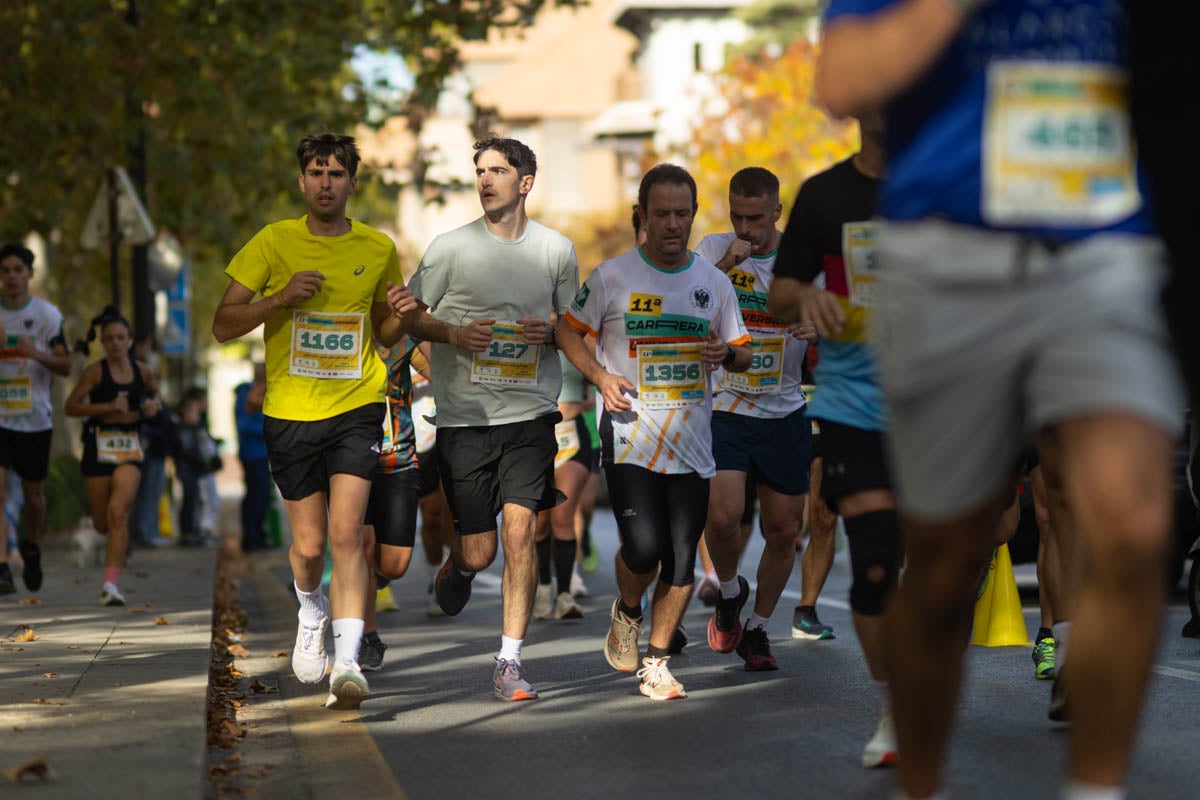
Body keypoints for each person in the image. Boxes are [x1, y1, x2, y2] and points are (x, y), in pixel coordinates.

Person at [816, 3, 1185, 797]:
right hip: (947, 253)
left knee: (1134, 522)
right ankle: (921, 782)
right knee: (949, 558)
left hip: (1100, 246)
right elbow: (841, 81)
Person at [212, 132, 412, 710]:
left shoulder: (377, 248)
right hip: (291, 413)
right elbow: (223, 325)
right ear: (302, 182)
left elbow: (384, 333)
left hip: (356, 406)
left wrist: (400, 316)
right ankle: (309, 607)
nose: (326, 183)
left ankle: (347, 663)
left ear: (353, 183)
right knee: (308, 545)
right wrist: (280, 300)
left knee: (349, 535)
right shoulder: (273, 242)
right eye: (316, 173)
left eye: (336, 174)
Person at [389, 136, 579, 702]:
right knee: (482, 550)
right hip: (465, 420)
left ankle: (509, 662)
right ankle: (461, 566)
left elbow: (573, 326)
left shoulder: (556, 250)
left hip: (530, 415)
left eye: (498, 170)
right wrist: (452, 333)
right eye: (479, 170)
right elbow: (409, 319)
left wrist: (552, 332)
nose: (486, 179)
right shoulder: (449, 248)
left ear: (525, 183)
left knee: (521, 530)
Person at [559, 163, 751, 701]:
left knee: (683, 557)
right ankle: (627, 609)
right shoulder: (612, 277)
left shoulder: (713, 283)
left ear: (693, 215)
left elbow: (743, 350)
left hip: (692, 446)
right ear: (642, 215)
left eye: (682, 214)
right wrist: (599, 375)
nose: (672, 224)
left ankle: (658, 661)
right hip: (630, 436)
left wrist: (726, 354)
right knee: (644, 551)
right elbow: (567, 331)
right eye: (661, 214)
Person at [768, 114, 900, 766]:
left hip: (946, 404)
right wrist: (804, 300)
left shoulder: (955, 187)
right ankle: (896, 710)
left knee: (944, 567)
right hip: (857, 404)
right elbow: (780, 292)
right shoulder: (826, 195)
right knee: (874, 567)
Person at [695, 167, 817, 672]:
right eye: (736, 215)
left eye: (755, 218)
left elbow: (844, 321)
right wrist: (727, 263)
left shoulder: (802, 260)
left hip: (785, 409)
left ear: (776, 213)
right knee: (722, 517)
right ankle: (729, 591)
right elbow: (689, 305)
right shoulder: (711, 250)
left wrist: (820, 330)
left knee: (784, 530)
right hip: (726, 405)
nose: (745, 228)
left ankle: (759, 628)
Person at [64, 306, 162, 606]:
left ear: (130, 340)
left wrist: (152, 406)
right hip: (98, 446)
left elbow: (156, 397)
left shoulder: (142, 371)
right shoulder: (95, 372)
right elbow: (71, 407)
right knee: (102, 522)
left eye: (121, 337)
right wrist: (106, 408)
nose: (116, 343)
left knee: (119, 512)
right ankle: (95, 536)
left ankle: (110, 584)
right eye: (109, 338)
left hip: (129, 447)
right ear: (103, 343)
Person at [0, 242, 70, 593]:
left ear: (29, 274)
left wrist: (35, 353)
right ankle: (1, 567)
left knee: (33, 495)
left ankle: (32, 544)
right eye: (6, 270)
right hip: (0, 417)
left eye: (18, 270)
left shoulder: (46, 315)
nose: (12, 276)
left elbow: (66, 364)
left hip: (34, 417)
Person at [358, 336, 423, 671]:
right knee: (361, 547)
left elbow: (437, 369)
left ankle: (373, 580)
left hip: (398, 458)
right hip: (351, 457)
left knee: (394, 564)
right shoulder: (344, 332)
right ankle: (368, 637)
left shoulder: (402, 339)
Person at [532, 348, 595, 621]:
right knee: (541, 522)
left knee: (563, 515)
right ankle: (544, 587)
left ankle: (564, 594)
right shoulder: (524, 334)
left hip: (571, 431)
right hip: (534, 435)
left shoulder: (574, 339)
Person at [170, 387, 221, 547]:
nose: (197, 415)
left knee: (196, 501)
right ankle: (188, 532)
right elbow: (188, 451)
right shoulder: (184, 430)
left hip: (194, 471)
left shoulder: (195, 428)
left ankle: (194, 531)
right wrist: (203, 463)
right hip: (189, 471)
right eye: (194, 412)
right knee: (190, 501)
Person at [234, 363, 271, 553]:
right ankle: (251, 538)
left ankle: (258, 534)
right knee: (255, 496)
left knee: (263, 496)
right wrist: (270, 429)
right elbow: (244, 425)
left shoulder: (267, 392)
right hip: (252, 454)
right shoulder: (245, 395)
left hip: (263, 454)